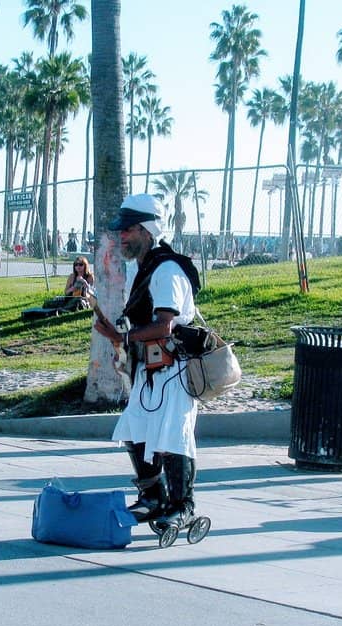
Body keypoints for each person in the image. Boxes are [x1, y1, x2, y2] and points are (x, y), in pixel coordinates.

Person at [93, 193, 202, 530]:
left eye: (128, 230)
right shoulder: (144, 269)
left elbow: (165, 325)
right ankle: (153, 497)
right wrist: (121, 337)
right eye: (122, 231)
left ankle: (182, 506)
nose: (122, 236)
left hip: (174, 369)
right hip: (151, 368)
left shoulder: (166, 269)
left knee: (172, 435)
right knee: (134, 430)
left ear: (146, 230)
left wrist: (121, 338)